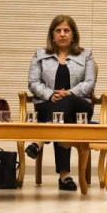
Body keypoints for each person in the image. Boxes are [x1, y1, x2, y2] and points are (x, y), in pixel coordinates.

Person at [25, 15, 97, 192]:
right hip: (47, 105)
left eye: (66, 30)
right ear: (52, 35)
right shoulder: (40, 55)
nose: (62, 34)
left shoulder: (86, 55)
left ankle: (40, 140)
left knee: (66, 101)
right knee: (62, 116)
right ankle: (64, 176)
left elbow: (89, 83)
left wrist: (69, 93)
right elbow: (33, 83)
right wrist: (50, 94)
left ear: (73, 35)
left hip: (80, 107)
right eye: (58, 31)